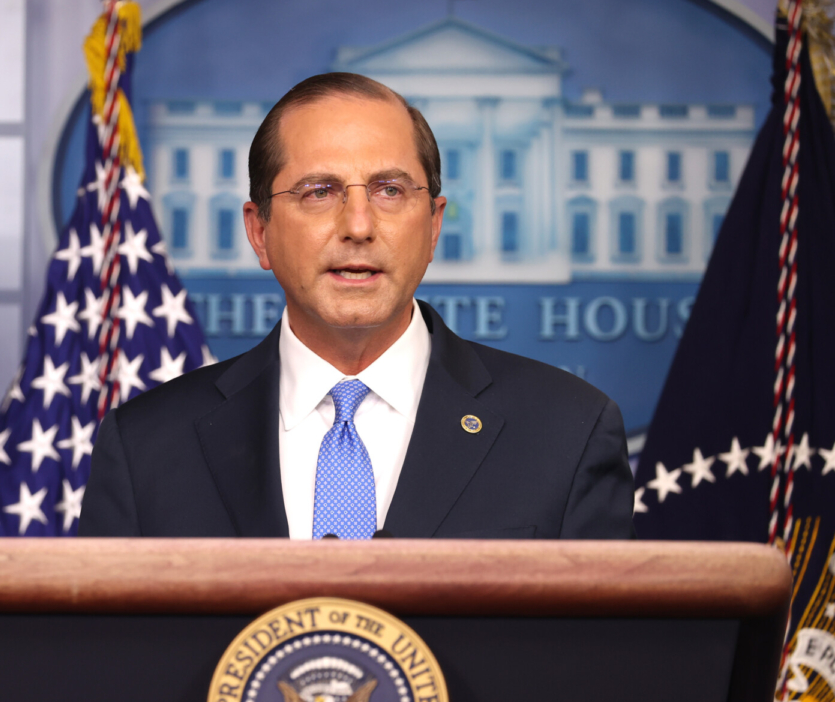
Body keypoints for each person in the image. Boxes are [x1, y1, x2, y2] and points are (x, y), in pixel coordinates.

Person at [79, 72, 633, 539]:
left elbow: (596, 665)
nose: (359, 226)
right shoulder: (146, 448)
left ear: (434, 225)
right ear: (259, 232)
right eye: (319, 191)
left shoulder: (567, 434)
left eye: (390, 190)